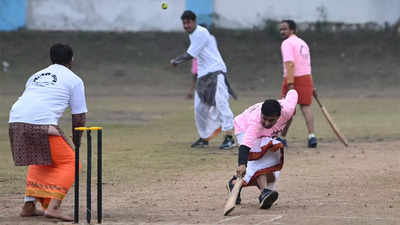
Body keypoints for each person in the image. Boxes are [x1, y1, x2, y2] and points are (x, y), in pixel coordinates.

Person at [8, 43, 87, 221]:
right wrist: (77, 140)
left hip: (15, 119)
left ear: (51, 58)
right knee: (71, 163)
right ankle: (53, 207)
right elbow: (79, 116)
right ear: (71, 60)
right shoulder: (74, 80)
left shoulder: (35, 76)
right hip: (40, 122)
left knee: (40, 158)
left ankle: (29, 206)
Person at [170, 10, 237, 149]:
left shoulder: (201, 32)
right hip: (203, 75)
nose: (186, 26)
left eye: (188, 23)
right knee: (199, 108)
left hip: (216, 72)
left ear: (194, 21)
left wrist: (176, 61)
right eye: (184, 23)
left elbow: (190, 54)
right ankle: (204, 138)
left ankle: (229, 138)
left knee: (221, 104)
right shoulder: (193, 35)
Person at [227, 89, 298, 209]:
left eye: (271, 120)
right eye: (264, 118)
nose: (266, 122)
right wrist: (242, 164)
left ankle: (235, 183)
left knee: (271, 173)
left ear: (279, 116)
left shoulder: (288, 109)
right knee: (261, 157)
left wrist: (287, 125)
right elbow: (245, 146)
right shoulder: (256, 123)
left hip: (264, 136)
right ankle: (264, 193)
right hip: (243, 128)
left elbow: (293, 92)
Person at [279, 20, 317, 148]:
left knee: (287, 110)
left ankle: (282, 138)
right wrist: (312, 85)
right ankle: (312, 136)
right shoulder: (303, 43)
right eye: (281, 29)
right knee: (306, 107)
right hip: (306, 78)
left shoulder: (287, 43)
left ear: (292, 30)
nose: (282, 32)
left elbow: (290, 63)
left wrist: (290, 83)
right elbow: (307, 65)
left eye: (285, 29)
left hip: (293, 78)